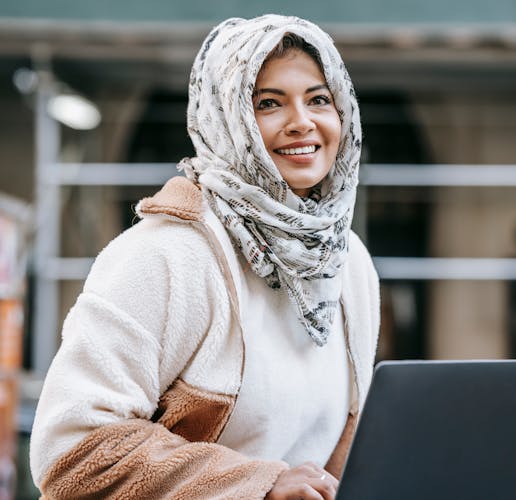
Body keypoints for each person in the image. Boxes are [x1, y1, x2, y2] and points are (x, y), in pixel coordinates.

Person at [29, 14, 380, 500]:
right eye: (269, 103)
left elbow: (332, 458)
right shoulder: (166, 254)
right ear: (227, 118)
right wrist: (257, 485)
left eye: (319, 99)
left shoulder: (347, 263)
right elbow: (73, 450)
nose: (303, 121)